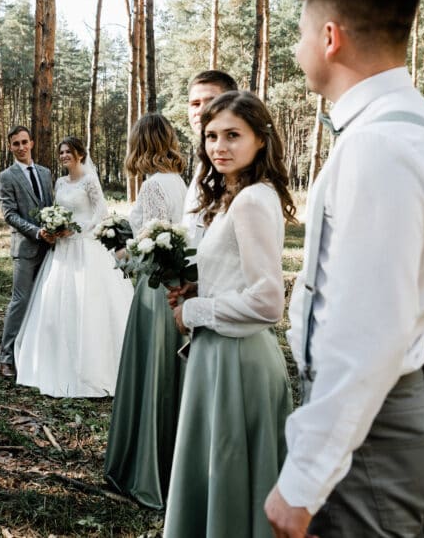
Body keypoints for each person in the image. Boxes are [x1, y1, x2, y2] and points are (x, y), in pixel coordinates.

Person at [265, 0, 424, 538]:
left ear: (330, 37)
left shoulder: (377, 147)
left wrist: (305, 478)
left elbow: (365, 332)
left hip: (378, 429)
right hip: (418, 400)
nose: (297, 48)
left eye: (301, 32)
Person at [163, 91, 295, 537]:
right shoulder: (233, 195)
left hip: (237, 359)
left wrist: (196, 308)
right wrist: (200, 286)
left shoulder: (254, 200)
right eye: (212, 136)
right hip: (219, 352)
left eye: (233, 135)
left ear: (261, 139)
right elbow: (239, 272)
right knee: (217, 470)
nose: (219, 146)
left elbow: (268, 301)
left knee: (231, 472)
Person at [104, 113, 189, 510]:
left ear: (140, 143)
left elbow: (150, 250)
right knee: (168, 376)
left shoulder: (155, 185)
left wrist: (120, 251)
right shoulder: (179, 181)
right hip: (175, 289)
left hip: (155, 295)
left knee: (153, 376)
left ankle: (147, 469)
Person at [14, 137, 134, 397]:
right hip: (63, 249)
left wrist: (79, 231)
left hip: (86, 246)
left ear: (80, 154)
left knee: (91, 302)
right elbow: (58, 209)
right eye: (61, 152)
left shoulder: (90, 180)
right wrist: (57, 227)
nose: (64, 155)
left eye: (68, 151)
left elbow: (100, 212)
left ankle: (97, 367)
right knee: (58, 301)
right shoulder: (59, 182)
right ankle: (56, 362)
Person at [0, 126, 55, 379]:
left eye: (24, 142)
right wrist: (37, 231)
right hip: (26, 247)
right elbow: (9, 214)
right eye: (15, 144)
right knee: (20, 301)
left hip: (52, 247)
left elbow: (52, 206)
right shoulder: (6, 177)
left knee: (46, 299)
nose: (20, 147)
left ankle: (37, 352)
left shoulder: (45, 173)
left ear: (31, 143)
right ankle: (6, 357)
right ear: (10, 147)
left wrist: (55, 229)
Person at [181, 70, 238, 244]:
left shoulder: (236, 163)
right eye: (195, 103)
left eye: (211, 101)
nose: (201, 110)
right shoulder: (203, 164)